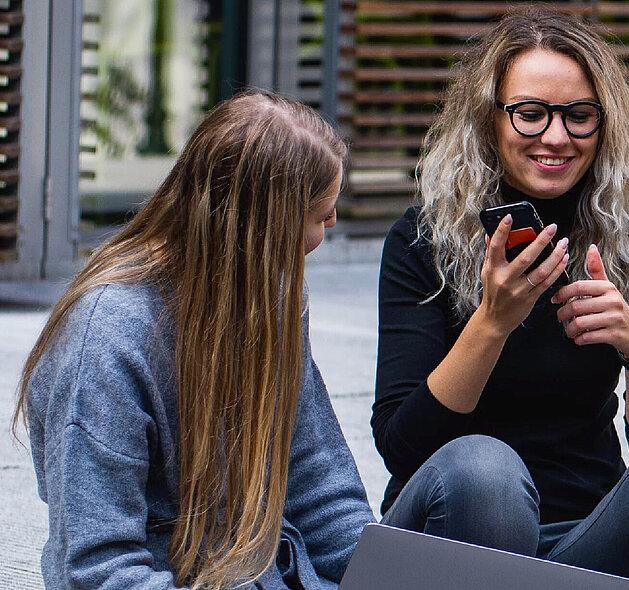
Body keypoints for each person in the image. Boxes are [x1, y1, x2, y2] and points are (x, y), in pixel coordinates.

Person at [372, 8, 629, 590]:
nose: (555, 136)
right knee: (486, 469)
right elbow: (402, 446)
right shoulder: (426, 239)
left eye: (578, 116)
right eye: (530, 114)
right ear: (489, 120)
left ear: (605, 123)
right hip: (449, 542)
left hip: (583, 540)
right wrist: (492, 324)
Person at [18, 91, 372, 590]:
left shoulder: (271, 296)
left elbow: (318, 484)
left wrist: (377, 574)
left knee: (469, 478)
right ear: (264, 225)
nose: (332, 224)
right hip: (181, 579)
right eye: (320, 214)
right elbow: (98, 567)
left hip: (276, 569)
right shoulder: (106, 340)